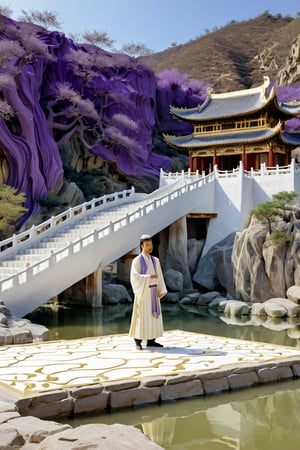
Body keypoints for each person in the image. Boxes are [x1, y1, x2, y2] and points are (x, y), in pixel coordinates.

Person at [129, 234, 167, 350]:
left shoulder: (155, 261)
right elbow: (135, 277)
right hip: (143, 293)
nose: (150, 247)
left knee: (153, 317)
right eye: (147, 245)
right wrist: (148, 277)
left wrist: (161, 290)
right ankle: (138, 341)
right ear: (141, 246)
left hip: (154, 292)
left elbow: (159, 276)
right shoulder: (137, 261)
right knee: (142, 317)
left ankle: (151, 340)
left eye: (151, 245)